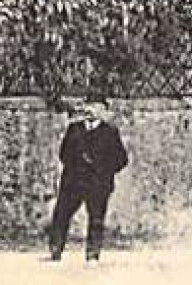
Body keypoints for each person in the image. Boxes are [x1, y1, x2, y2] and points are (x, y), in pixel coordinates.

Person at [48, 99, 130, 262]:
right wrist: (77, 165)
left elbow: (121, 159)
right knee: (62, 214)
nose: (90, 110)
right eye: (88, 106)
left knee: (96, 218)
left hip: (98, 184)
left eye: (95, 106)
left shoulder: (110, 132)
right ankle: (56, 248)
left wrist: (103, 170)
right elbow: (63, 154)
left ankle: (93, 253)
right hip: (73, 182)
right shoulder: (74, 129)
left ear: (103, 111)